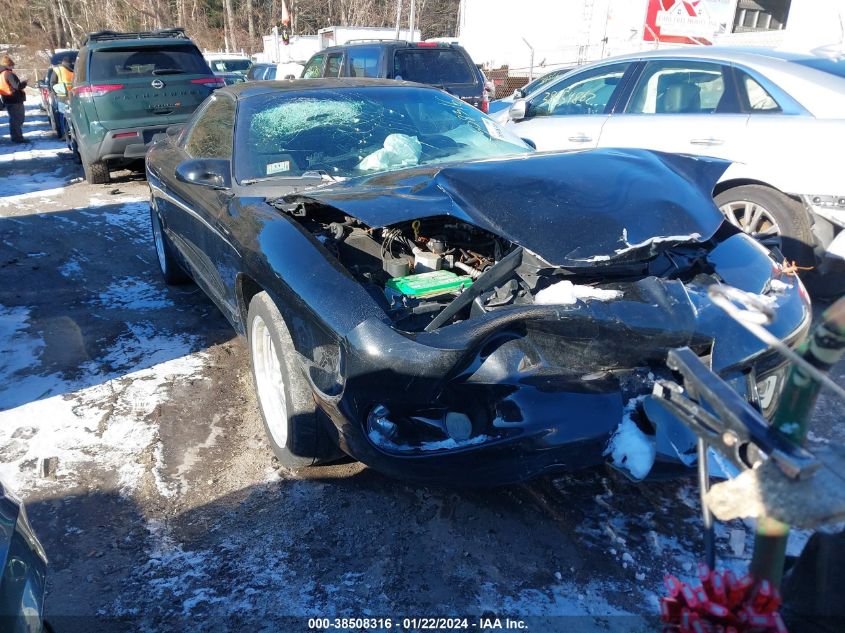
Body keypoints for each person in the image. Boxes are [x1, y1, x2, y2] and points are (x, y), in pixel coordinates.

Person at [0, 55, 28, 143]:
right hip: (14, 99)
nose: (13, 67)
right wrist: (24, 83)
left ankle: (16, 137)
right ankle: (17, 138)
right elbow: (17, 86)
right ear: (8, 65)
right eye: (12, 65)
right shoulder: (9, 74)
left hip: (6, 98)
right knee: (18, 119)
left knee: (14, 119)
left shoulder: (1, 74)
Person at [49, 56, 74, 137]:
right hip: (74, 95)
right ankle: (70, 133)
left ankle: (65, 134)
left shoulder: (58, 70)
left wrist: (55, 93)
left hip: (62, 96)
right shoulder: (76, 69)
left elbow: (52, 83)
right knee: (72, 115)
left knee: (63, 116)